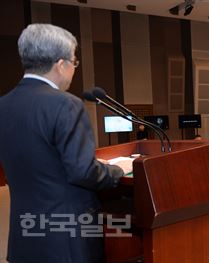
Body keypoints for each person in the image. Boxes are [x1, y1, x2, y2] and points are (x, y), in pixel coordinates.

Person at [0, 24, 126, 262]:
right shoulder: (66, 104)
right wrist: (117, 171)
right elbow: (83, 172)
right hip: (67, 236)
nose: (73, 69)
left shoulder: (4, 105)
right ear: (60, 64)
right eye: (74, 63)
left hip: (25, 232)